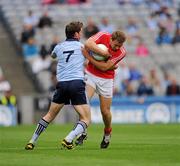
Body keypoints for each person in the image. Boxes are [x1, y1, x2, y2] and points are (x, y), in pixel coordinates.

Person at [25, 21, 91, 150]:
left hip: (62, 84)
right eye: (81, 31)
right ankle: (69, 138)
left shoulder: (58, 47)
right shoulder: (82, 47)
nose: (81, 33)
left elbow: (53, 55)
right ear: (76, 34)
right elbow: (90, 60)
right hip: (76, 83)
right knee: (86, 118)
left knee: (49, 116)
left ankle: (32, 140)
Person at [77, 30, 126, 149]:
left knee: (105, 111)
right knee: (83, 102)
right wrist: (104, 54)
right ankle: (82, 131)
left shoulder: (121, 52)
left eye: (120, 45)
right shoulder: (103, 35)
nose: (117, 47)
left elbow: (104, 68)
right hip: (91, 74)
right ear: (111, 39)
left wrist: (88, 56)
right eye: (116, 45)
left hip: (106, 80)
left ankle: (107, 132)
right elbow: (88, 43)